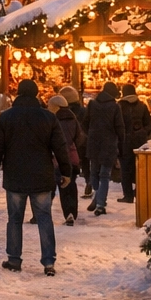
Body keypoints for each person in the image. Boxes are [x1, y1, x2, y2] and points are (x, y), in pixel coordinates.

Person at [0, 80, 72, 276]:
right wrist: (66, 171)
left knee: (14, 219)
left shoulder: (6, 117)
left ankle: (14, 259)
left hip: (15, 175)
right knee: (44, 219)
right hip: (42, 175)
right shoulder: (48, 117)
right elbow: (60, 147)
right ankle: (48, 262)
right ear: (36, 94)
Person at [84, 81, 127, 215]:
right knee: (104, 175)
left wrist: (90, 134)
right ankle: (100, 204)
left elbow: (85, 122)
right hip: (109, 143)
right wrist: (121, 143)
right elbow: (119, 127)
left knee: (94, 171)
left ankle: (97, 197)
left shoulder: (92, 104)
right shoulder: (115, 106)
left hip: (94, 142)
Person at [47, 94, 85, 225]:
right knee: (70, 186)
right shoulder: (73, 119)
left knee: (54, 186)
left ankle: (41, 213)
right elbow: (80, 138)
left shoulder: (53, 120)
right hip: (73, 158)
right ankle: (71, 213)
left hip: (57, 159)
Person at [117, 84, 151, 204]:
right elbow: (149, 124)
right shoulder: (142, 106)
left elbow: (116, 124)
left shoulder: (120, 107)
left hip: (125, 142)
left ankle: (127, 195)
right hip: (140, 142)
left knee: (125, 169)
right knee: (140, 168)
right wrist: (143, 132)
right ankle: (138, 191)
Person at [60, 85, 91, 197]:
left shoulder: (62, 113)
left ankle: (68, 182)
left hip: (69, 142)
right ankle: (89, 181)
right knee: (86, 163)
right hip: (83, 140)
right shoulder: (83, 111)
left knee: (70, 164)